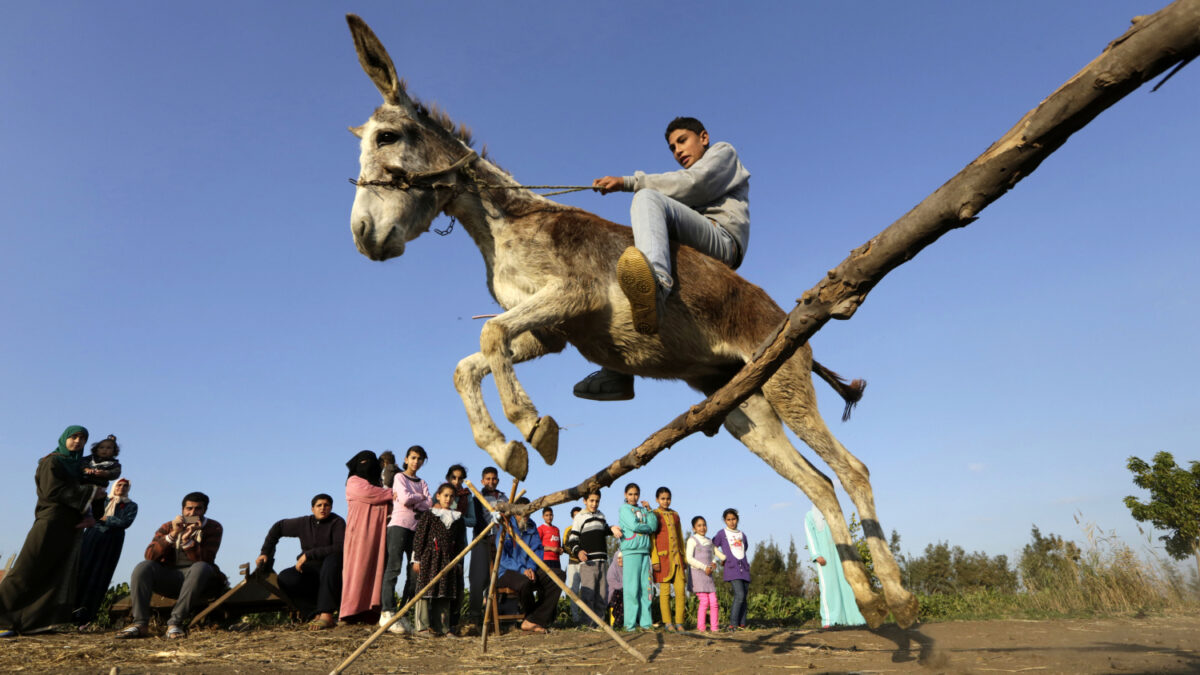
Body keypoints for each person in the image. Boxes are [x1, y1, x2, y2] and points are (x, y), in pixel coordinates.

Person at [575, 116, 751, 399]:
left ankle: (656, 286)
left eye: (683, 141)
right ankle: (618, 372)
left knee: (647, 199)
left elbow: (696, 183)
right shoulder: (680, 187)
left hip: (722, 241)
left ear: (703, 137)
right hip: (696, 243)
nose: (678, 151)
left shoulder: (723, 153)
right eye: (672, 147)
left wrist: (627, 182)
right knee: (633, 253)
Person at [0, 426, 100, 637]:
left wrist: (95, 491)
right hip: (50, 521)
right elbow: (53, 490)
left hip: (70, 525)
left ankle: (34, 623)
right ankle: (3, 619)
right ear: (64, 438)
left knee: (55, 573)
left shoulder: (78, 467)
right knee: (27, 569)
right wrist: (90, 492)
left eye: (82, 438)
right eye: (73, 436)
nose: (77, 441)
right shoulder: (52, 461)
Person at [116, 491, 226, 639]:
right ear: (182, 510)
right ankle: (140, 624)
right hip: (171, 577)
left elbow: (206, 559)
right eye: (189, 508)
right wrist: (174, 534)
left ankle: (175, 624)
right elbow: (150, 555)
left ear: (204, 510)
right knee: (143, 567)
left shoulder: (213, 527)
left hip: (200, 580)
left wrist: (188, 541)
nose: (192, 512)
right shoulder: (168, 526)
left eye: (198, 509)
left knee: (200, 568)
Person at [254, 494, 345, 630]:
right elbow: (278, 527)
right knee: (286, 577)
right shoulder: (304, 523)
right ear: (312, 508)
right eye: (319, 505)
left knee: (331, 561)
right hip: (310, 569)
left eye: (326, 505)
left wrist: (309, 554)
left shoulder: (337, 522)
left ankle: (326, 616)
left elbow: (340, 546)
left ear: (331, 508)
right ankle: (313, 615)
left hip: (333, 569)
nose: (323, 508)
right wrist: (265, 552)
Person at [74, 478, 138, 627]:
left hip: (112, 543)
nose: (121, 488)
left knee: (101, 575)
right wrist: (108, 519)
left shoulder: (131, 506)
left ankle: (86, 617)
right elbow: (91, 515)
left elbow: (125, 523)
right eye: (119, 485)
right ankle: (70, 611)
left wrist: (104, 518)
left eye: (125, 486)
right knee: (82, 570)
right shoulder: (101, 500)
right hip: (92, 538)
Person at [380, 445, 430, 633]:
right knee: (394, 568)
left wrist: (413, 498)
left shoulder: (422, 481)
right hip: (399, 526)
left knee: (415, 572)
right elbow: (406, 499)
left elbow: (429, 504)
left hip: (417, 529)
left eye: (420, 459)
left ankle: (403, 612)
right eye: (413, 457)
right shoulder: (399, 477)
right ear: (406, 459)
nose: (416, 461)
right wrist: (419, 498)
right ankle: (387, 611)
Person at [340, 450, 392, 624]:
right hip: (359, 533)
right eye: (362, 461)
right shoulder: (353, 481)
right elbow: (370, 494)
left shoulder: (380, 484)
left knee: (375, 570)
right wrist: (391, 494)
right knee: (357, 569)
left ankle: (370, 611)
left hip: (378, 534)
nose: (366, 465)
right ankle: (349, 611)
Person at [496, 497, 561, 633]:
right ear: (514, 512)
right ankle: (532, 619)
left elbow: (537, 551)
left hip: (529, 570)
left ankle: (532, 619)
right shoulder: (505, 526)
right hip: (508, 571)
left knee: (558, 576)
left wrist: (531, 568)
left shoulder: (531, 526)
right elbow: (502, 558)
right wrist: (522, 569)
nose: (525, 516)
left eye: (528, 512)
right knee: (525, 582)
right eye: (521, 512)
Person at [411, 483, 466, 637]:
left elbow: (461, 543)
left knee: (444, 592)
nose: (448, 499)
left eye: (451, 496)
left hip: (448, 559)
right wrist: (417, 559)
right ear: (438, 496)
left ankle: (442, 627)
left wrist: (458, 561)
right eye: (445, 495)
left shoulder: (458, 518)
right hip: (429, 557)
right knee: (424, 591)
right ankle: (422, 627)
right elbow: (420, 538)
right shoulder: (430, 515)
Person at [804, 506, 866, 629]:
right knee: (829, 588)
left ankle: (855, 618)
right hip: (824, 559)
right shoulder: (810, 516)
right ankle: (830, 620)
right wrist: (816, 555)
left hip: (841, 556)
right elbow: (810, 537)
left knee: (847, 586)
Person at [464, 466, 507, 633]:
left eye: (494, 479)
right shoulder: (477, 497)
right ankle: (474, 617)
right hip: (482, 539)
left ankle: (494, 617)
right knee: (478, 578)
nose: (491, 482)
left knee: (496, 578)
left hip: (500, 540)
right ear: (482, 481)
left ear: (497, 480)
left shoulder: (504, 497)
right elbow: (475, 520)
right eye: (488, 479)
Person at [566, 490, 619, 625]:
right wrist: (578, 551)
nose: (594, 504)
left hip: (602, 560)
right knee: (588, 594)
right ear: (585, 500)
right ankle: (587, 623)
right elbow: (572, 539)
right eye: (591, 501)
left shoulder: (601, 516)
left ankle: (599, 622)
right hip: (588, 562)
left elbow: (604, 530)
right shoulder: (580, 517)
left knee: (602, 594)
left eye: (597, 501)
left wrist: (612, 528)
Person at [617, 483, 657, 631]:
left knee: (646, 589)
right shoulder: (624, 509)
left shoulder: (644, 510)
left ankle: (646, 623)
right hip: (631, 552)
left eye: (636, 494)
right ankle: (630, 625)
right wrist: (647, 527)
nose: (634, 497)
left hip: (645, 552)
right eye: (630, 494)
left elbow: (654, 526)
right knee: (631, 589)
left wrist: (649, 511)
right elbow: (635, 526)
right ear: (625, 495)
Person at [651, 487, 687, 631]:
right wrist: (655, 560)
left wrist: (683, 557)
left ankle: (679, 622)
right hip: (663, 559)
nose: (666, 501)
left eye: (668, 498)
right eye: (662, 498)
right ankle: (667, 623)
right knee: (664, 593)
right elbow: (652, 539)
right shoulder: (654, 515)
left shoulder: (676, 515)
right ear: (657, 499)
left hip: (677, 559)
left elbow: (680, 537)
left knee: (680, 591)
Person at [443, 463, 474, 633]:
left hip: (460, 542)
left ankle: (453, 623)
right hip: (440, 544)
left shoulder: (467, 497)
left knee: (457, 581)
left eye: (460, 478)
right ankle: (439, 621)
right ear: (448, 478)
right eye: (453, 477)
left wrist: (458, 517)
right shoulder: (441, 494)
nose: (456, 481)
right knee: (441, 579)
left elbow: (472, 520)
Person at [711, 508, 750, 630]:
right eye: (728, 520)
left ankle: (742, 623)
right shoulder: (722, 533)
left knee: (744, 597)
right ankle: (733, 623)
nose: (731, 522)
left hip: (744, 569)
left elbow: (744, 549)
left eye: (733, 519)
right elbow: (712, 546)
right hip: (732, 569)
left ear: (737, 519)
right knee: (739, 594)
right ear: (724, 521)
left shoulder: (742, 535)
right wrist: (720, 558)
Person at [686, 515, 725, 632]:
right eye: (699, 525)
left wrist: (714, 563)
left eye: (704, 525)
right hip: (697, 575)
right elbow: (689, 558)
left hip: (708, 576)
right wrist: (704, 567)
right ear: (694, 528)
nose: (702, 528)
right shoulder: (692, 540)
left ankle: (714, 628)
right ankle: (701, 628)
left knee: (714, 602)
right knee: (704, 601)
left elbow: (714, 555)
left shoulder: (709, 541)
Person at [80, 435, 122, 523]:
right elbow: (80, 464)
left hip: (99, 489)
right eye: (101, 447)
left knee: (98, 509)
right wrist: (86, 469)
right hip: (84, 486)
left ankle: (93, 522)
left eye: (108, 448)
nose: (104, 450)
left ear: (114, 451)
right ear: (96, 449)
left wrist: (106, 473)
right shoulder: (89, 459)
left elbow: (115, 473)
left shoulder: (114, 464)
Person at [562, 505, 583, 623]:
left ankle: (587, 618)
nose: (577, 518)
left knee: (586, 591)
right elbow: (565, 545)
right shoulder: (568, 529)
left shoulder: (585, 528)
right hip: (573, 563)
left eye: (579, 516)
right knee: (573, 591)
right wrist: (577, 553)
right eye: (575, 516)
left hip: (586, 564)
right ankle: (575, 619)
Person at [537, 507, 563, 571]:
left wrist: (561, 550)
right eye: (547, 515)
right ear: (543, 517)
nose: (549, 517)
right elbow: (537, 547)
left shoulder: (556, 529)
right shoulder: (540, 529)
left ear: (553, 516)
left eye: (550, 515)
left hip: (556, 560)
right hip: (545, 560)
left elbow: (558, 545)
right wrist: (551, 548)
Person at [605, 551, 624, 627]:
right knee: (619, 594)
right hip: (613, 596)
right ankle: (617, 621)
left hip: (624, 593)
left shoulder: (627, 569)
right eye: (618, 558)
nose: (620, 560)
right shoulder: (612, 570)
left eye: (622, 558)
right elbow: (614, 584)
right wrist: (626, 586)